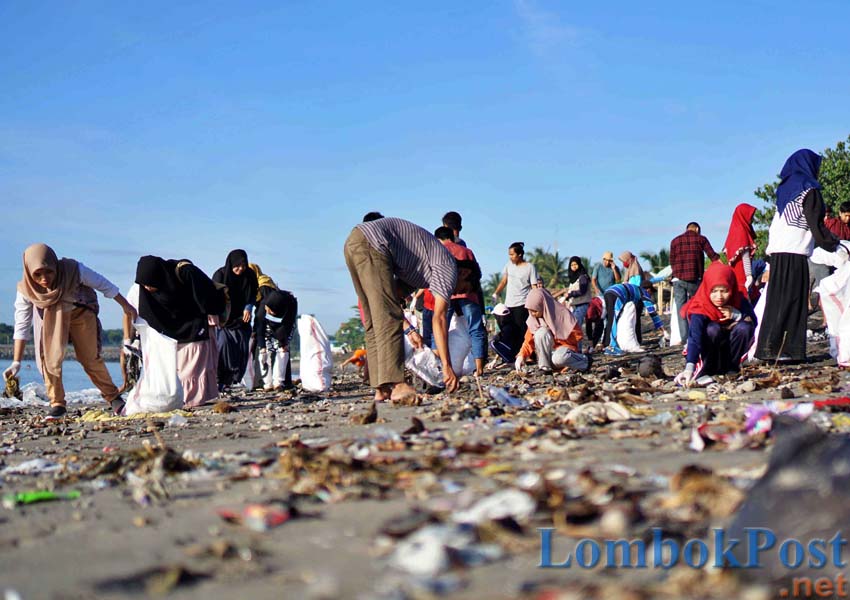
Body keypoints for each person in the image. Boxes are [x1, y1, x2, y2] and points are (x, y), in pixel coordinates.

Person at [3, 244, 137, 418]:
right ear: (29, 271)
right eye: (37, 274)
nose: (44, 279)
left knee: (90, 358)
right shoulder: (26, 290)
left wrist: (126, 306)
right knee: (50, 359)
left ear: (55, 266)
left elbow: (104, 285)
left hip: (80, 312)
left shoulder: (74, 270)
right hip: (51, 319)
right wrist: (16, 362)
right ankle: (57, 404)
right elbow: (22, 325)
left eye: (48, 272)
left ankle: (114, 399)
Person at [344, 217, 459, 400]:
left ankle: (381, 388)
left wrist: (410, 328)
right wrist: (447, 366)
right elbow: (439, 318)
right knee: (388, 319)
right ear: (466, 276)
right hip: (374, 243)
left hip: (354, 242)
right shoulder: (448, 269)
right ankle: (397, 385)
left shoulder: (423, 267)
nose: (454, 294)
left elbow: (392, 298)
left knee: (375, 319)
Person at [755, 149, 840, 362]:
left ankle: (769, 348)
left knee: (777, 301)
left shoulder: (785, 189)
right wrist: (835, 244)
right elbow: (816, 226)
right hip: (795, 253)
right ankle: (789, 350)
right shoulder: (809, 190)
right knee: (793, 301)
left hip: (778, 252)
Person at [126, 255, 227, 407]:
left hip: (194, 327)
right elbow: (143, 314)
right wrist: (131, 338)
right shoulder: (147, 291)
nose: (147, 288)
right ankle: (181, 399)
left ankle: (192, 400)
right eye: (144, 285)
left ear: (158, 276)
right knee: (178, 369)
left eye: (149, 284)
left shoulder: (186, 272)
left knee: (193, 368)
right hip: (172, 333)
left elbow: (207, 300)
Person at [675, 263, 757, 386]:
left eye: (724, 291)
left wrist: (737, 315)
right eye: (714, 291)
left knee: (744, 328)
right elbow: (694, 337)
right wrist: (689, 368)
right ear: (707, 288)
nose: (719, 297)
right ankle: (705, 370)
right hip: (708, 353)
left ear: (731, 288)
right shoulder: (700, 305)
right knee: (712, 329)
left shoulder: (738, 299)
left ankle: (732, 369)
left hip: (730, 352)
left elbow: (754, 322)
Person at [434, 227, 486, 376]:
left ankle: (440, 366)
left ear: (438, 239)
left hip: (446, 296)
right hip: (468, 295)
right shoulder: (466, 251)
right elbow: (477, 274)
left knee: (440, 327)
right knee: (475, 328)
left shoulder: (439, 252)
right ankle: (479, 368)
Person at [212, 249, 259, 389]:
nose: (240, 269)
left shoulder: (250, 275)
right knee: (223, 346)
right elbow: (212, 296)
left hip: (241, 319)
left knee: (241, 349)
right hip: (224, 320)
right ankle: (219, 381)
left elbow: (252, 293)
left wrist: (249, 307)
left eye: (243, 266)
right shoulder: (220, 275)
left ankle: (231, 381)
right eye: (237, 266)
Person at [516, 288, 589, 374]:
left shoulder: (562, 314)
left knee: (559, 358)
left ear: (543, 305)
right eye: (530, 310)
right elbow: (528, 340)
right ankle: (545, 368)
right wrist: (521, 356)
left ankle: (584, 361)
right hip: (550, 354)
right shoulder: (534, 319)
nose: (532, 314)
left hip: (564, 351)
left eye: (535, 311)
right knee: (540, 333)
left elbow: (577, 336)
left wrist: (558, 337)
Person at [669, 222, 720, 342]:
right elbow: (712, 256)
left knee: (681, 309)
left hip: (678, 279)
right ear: (697, 229)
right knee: (698, 307)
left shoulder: (675, 241)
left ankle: (685, 338)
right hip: (694, 279)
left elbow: (671, 260)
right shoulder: (700, 239)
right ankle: (697, 334)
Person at [492, 242, 540, 356]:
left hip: (522, 303)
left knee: (522, 330)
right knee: (510, 330)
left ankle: (527, 354)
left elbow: (534, 286)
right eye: (509, 254)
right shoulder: (509, 265)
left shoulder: (530, 267)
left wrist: (536, 303)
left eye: (512, 254)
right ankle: (514, 353)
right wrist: (496, 293)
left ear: (519, 254)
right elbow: (504, 281)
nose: (510, 257)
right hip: (509, 303)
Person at [602, 282, 665, 356]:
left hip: (608, 291)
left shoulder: (636, 290)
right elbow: (652, 311)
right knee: (613, 320)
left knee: (610, 319)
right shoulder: (644, 293)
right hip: (617, 294)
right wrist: (659, 326)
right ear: (648, 290)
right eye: (651, 292)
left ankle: (605, 343)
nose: (650, 295)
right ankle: (612, 347)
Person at [253, 289, 297, 391]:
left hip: (283, 326)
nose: (268, 311)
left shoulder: (291, 304)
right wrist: (262, 346)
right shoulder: (264, 306)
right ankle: (267, 383)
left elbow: (288, 326)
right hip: (266, 327)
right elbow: (259, 328)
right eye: (267, 309)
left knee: (283, 351)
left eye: (270, 311)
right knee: (265, 353)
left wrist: (283, 342)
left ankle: (279, 382)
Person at [723, 204, 758, 298]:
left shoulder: (733, 232)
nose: (752, 219)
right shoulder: (741, 232)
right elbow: (745, 257)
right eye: (750, 216)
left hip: (735, 276)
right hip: (742, 275)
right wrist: (749, 276)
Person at [563, 256, 592, 328]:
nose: (574, 266)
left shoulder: (582, 277)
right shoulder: (573, 278)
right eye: (572, 265)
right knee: (573, 326)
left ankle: (578, 339)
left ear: (579, 264)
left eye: (575, 264)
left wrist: (570, 294)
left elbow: (582, 291)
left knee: (576, 326)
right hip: (574, 305)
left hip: (582, 305)